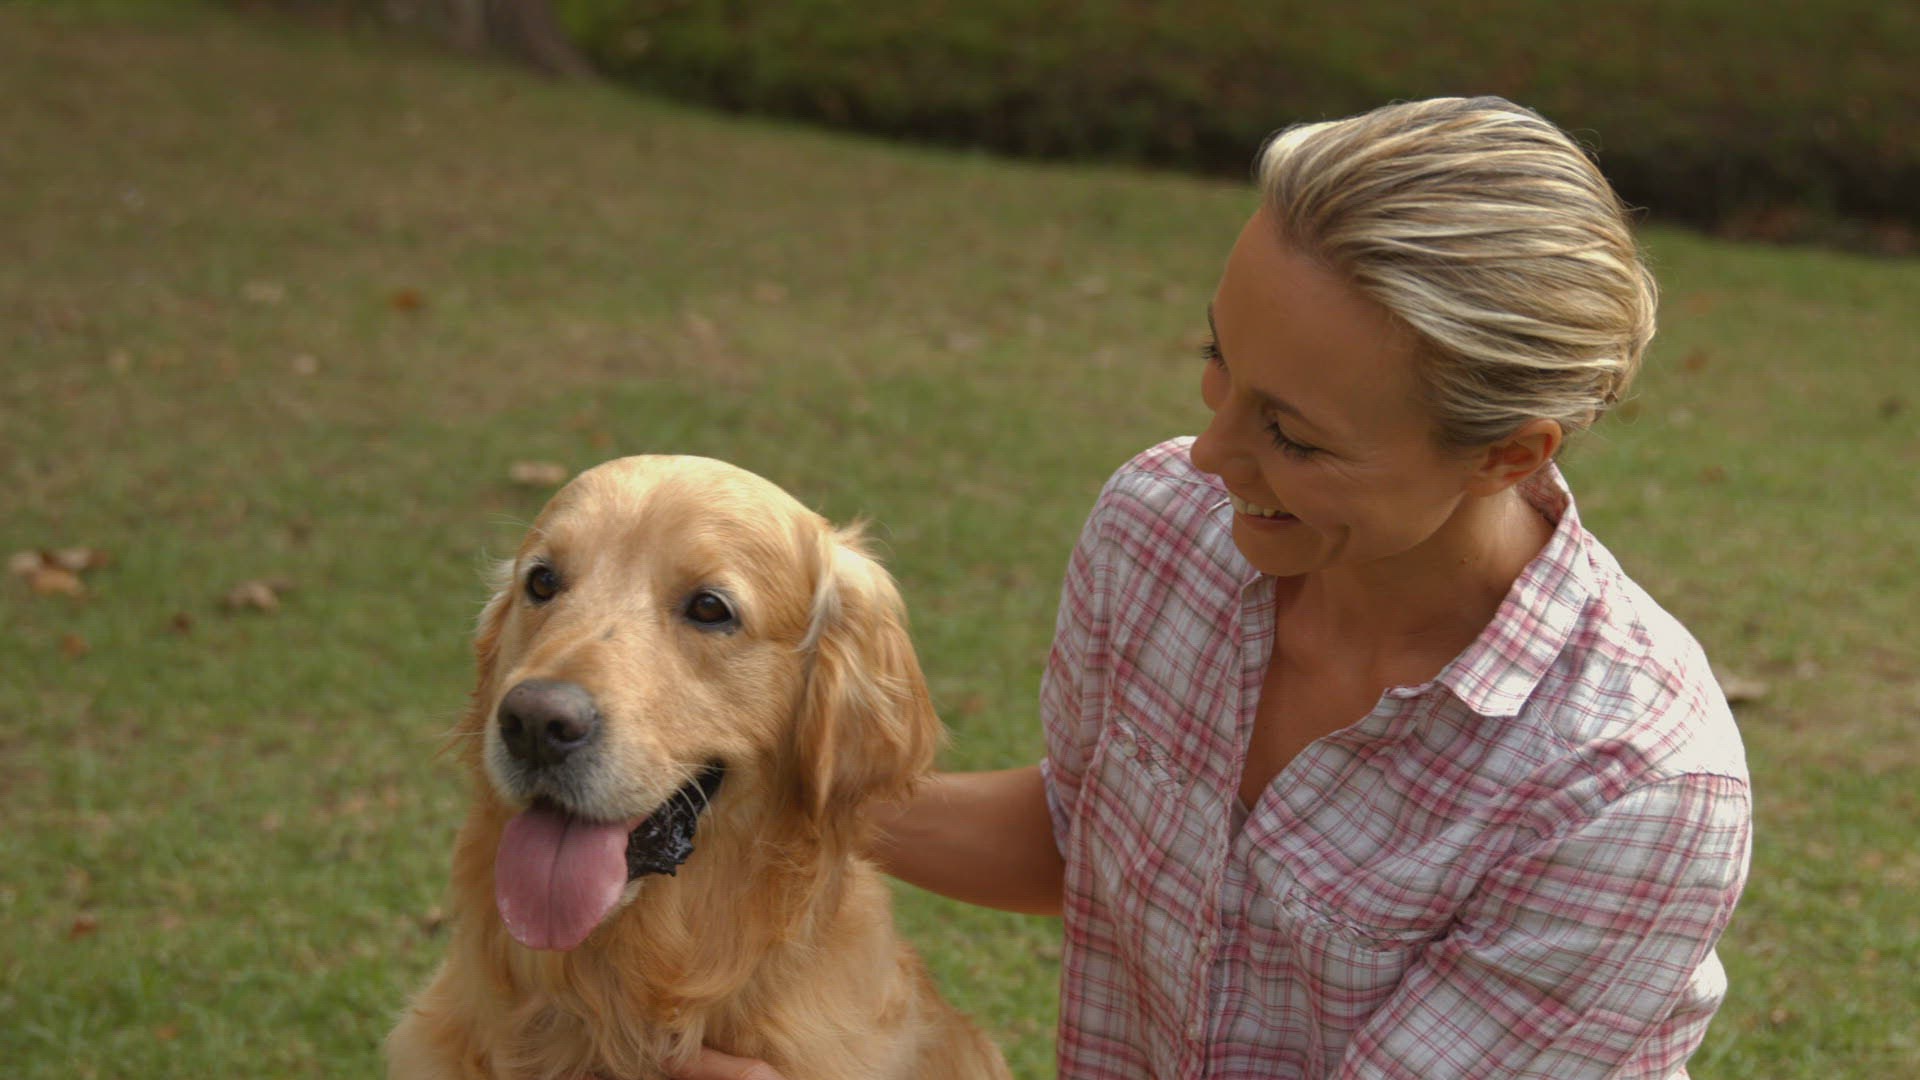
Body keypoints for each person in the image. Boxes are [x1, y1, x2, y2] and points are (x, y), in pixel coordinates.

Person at [674, 95, 1752, 1080]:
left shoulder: (1632, 788)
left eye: (1293, 434)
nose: (1208, 454)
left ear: (1507, 455)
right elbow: (1078, 834)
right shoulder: (1162, 529)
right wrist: (763, 787)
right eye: (1219, 357)